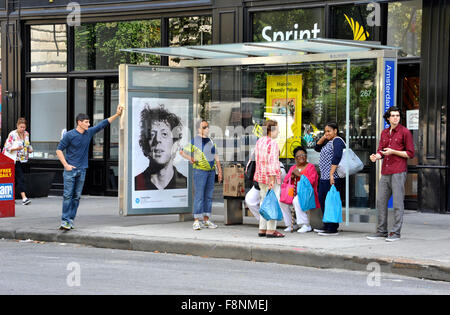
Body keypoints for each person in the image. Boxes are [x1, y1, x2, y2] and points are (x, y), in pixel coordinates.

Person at [56, 106, 123, 230]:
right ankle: (64, 221)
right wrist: (66, 165)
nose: (89, 124)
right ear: (79, 123)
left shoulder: (89, 132)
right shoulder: (69, 135)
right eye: (86, 122)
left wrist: (117, 114)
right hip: (70, 171)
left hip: (82, 170)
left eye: (88, 122)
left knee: (76, 197)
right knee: (67, 196)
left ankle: (70, 220)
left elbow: (103, 124)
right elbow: (59, 150)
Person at [367, 106, 414, 242]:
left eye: (397, 116)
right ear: (388, 118)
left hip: (398, 171)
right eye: (393, 116)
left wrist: (393, 151)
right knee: (381, 201)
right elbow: (381, 151)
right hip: (385, 171)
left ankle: (396, 232)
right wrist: (376, 156)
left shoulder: (405, 132)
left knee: (398, 203)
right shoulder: (384, 133)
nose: (395, 118)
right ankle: (381, 231)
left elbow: (410, 154)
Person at [180, 119, 222, 231]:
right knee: (199, 195)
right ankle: (196, 221)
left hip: (211, 171)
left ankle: (206, 219)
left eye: (207, 126)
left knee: (208, 195)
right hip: (200, 171)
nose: (207, 129)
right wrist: (191, 158)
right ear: (199, 129)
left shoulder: (211, 141)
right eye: (204, 127)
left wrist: (220, 171)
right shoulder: (195, 140)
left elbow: (216, 156)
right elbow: (182, 152)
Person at [135, 106, 187, 190]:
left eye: (164, 134)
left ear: (175, 144)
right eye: (152, 134)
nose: (158, 139)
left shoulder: (184, 184)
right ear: (145, 144)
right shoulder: (136, 184)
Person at [253, 119, 284, 238]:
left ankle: (262, 228)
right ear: (272, 130)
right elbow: (272, 162)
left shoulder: (259, 142)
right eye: (277, 129)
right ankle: (271, 230)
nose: (279, 132)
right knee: (272, 203)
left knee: (263, 202)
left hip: (261, 176)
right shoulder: (273, 143)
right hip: (271, 177)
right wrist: (272, 179)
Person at [314, 122, 345, 236]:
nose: (326, 133)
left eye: (329, 131)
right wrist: (324, 136)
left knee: (331, 202)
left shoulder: (337, 141)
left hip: (332, 177)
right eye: (325, 131)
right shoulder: (329, 141)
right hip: (324, 177)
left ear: (335, 131)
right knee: (323, 200)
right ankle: (326, 224)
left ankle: (332, 228)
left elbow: (337, 157)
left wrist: (331, 174)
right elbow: (317, 147)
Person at [279, 146, 319, 233]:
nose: (301, 157)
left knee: (297, 200)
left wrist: (300, 175)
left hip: (308, 193)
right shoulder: (292, 168)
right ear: (295, 158)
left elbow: (311, 181)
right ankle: (291, 224)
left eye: (303, 155)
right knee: (282, 202)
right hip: (293, 192)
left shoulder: (310, 167)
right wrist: (292, 177)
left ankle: (306, 224)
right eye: (298, 155)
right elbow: (286, 181)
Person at [2, 117, 33, 205]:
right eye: (21, 127)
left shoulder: (26, 134)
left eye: (24, 127)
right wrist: (16, 148)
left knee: (15, 179)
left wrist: (30, 149)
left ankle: (10, 197)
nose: (22, 129)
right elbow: (7, 147)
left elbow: (27, 144)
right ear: (17, 126)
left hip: (23, 159)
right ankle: (24, 198)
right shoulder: (12, 134)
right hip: (13, 159)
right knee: (21, 177)